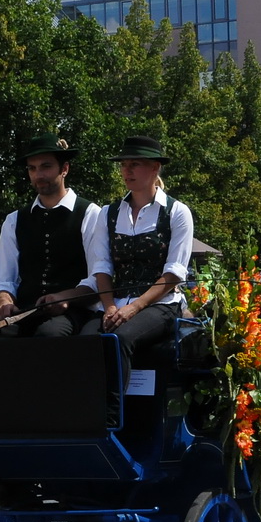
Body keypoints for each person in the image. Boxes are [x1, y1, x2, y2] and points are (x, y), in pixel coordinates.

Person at [78, 135, 195, 364]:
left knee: (120, 338)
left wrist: (135, 307)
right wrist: (110, 306)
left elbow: (173, 273)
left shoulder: (177, 212)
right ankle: (86, 400)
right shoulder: (108, 213)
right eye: (123, 165)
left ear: (155, 167)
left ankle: (114, 402)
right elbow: (101, 266)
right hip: (116, 302)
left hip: (161, 304)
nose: (126, 171)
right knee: (86, 341)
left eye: (134, 164)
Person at [0, 135, 110, 337]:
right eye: (32, 168)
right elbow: (2, 280)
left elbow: (98, 279)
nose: (38, 174)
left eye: (45, 166)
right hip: (24, 312)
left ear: (64, 169)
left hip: (75, 312)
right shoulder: (14, 220)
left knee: (49, 335)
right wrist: (4, 304)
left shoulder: (90, 214)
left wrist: (65, 297)